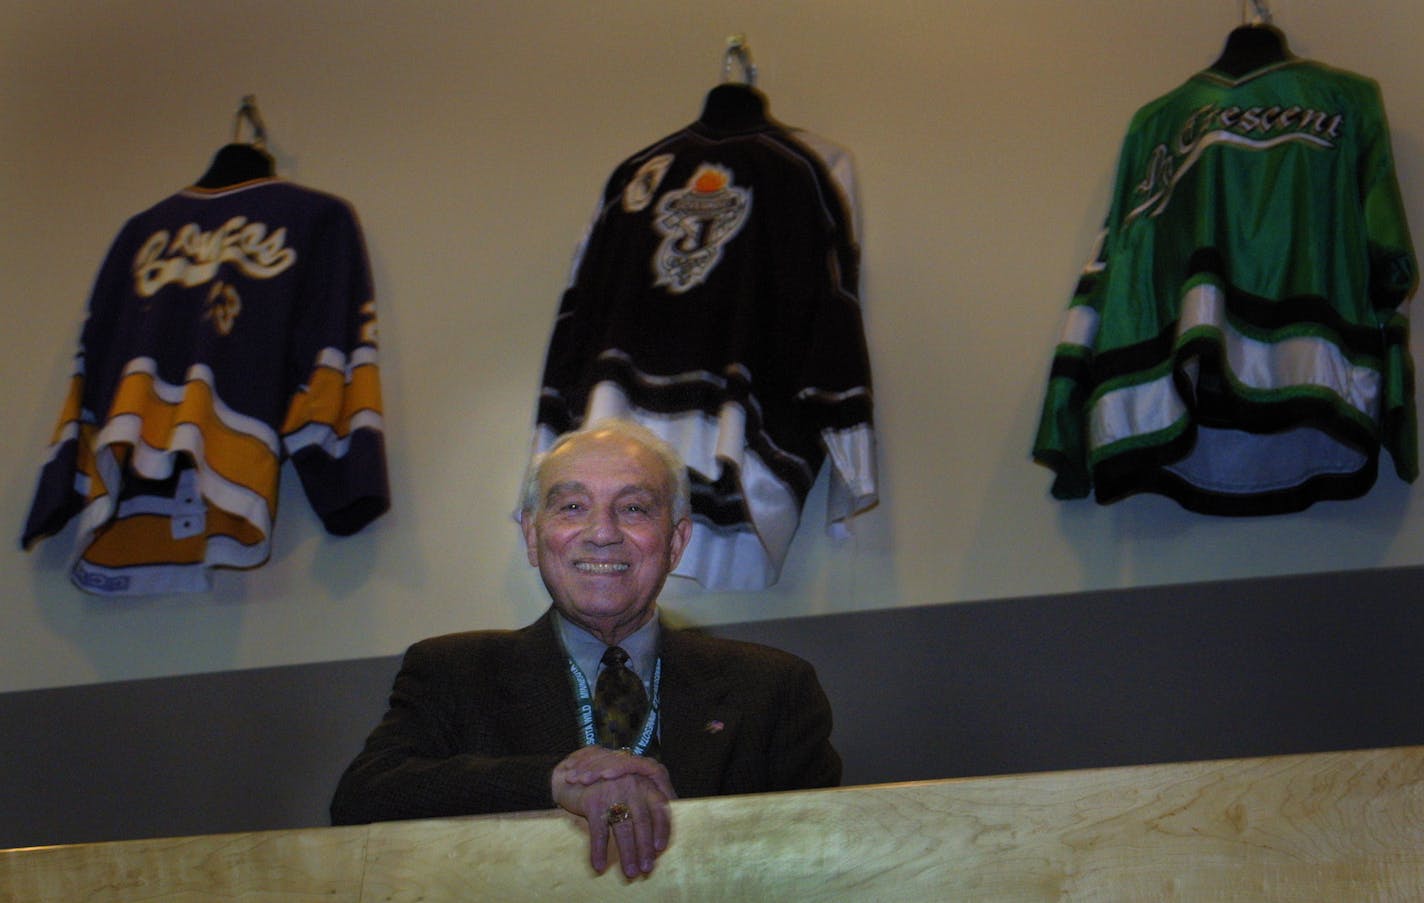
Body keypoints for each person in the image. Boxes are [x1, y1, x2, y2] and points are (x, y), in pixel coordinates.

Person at [329, 419, 841, 877]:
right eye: (572, 506)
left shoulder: (773, 688)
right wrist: (553, 781)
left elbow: (827, 861)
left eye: (634, 509)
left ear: (676, 543)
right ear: (533, 537)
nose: (601, 533)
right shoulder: (451, 671)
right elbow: (362, 799)